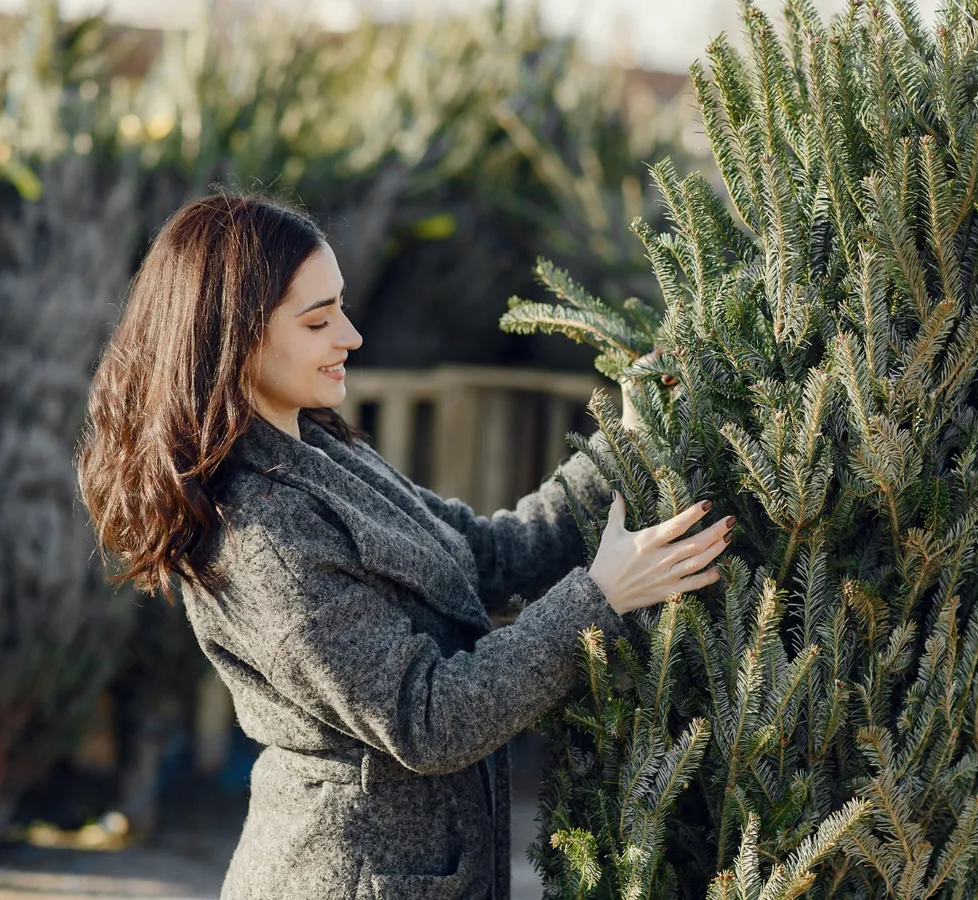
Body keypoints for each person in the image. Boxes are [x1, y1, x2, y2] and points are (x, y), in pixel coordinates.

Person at [76, 191, 734, 900]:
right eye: (319, 319)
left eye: (343, 307)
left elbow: (487, 553)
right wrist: (599, 600)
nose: (351, 336)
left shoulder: (316, 447)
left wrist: (625, 440)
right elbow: (427, 717)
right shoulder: (261, 538)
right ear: (233, 337)